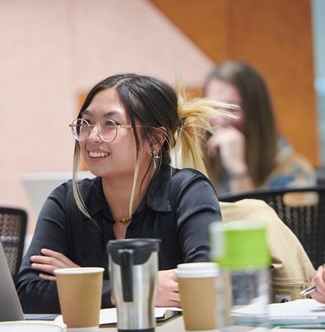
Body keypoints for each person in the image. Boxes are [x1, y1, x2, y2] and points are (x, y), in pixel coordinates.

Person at [16, 73, 231, 313]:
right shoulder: (67, 200)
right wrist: (131, 289)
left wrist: (79, 282)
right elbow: (27, 293)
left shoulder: (188, 191)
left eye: (110, 124)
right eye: (86, 123)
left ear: (154, 139)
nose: (92, 137)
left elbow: (205, 285)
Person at [203, 61, 316, 195]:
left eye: (232, 109)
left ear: (257, 113)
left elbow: (249, 216)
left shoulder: (294, 170)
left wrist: (238, 171)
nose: (220, 120)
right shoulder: (201, 163)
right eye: (213, 107)